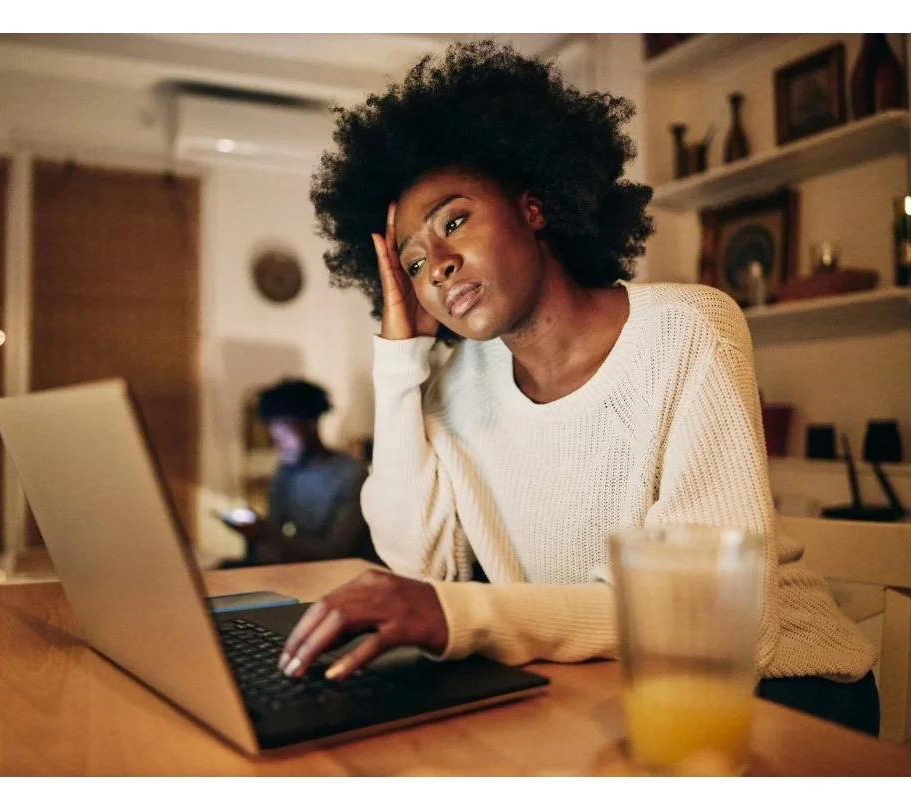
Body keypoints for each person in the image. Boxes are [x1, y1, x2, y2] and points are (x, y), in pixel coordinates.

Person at [277, 40, 880, 735]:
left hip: (780, 691)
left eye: (454, 222)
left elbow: (713, 620)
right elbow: (419, 563)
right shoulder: (451, 384)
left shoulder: (689, 330)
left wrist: (463, 617)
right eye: (412, 265)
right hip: (600, 681)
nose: (437, 266)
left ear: (533, 208)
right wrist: (398, 353)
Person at [223, 378, 376, 567]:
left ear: (311, 425)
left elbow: (338, 550)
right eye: (274, 438)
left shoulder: (351, 475)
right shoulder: (285, 472)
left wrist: (265, 533)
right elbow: (274, 531)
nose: (279, 446)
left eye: (284, 435)